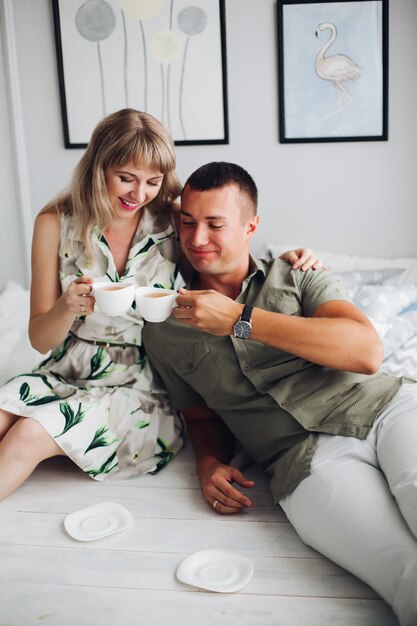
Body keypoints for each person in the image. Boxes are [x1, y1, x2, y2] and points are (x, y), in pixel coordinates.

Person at [143, 161, 417, 626]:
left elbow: (366, 351)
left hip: (384, 408)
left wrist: (238, 319)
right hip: (301, 459)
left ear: (251, 226)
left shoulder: (298, 274)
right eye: (187, 222)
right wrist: (208, 462)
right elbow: (202, 415)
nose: (197, 238)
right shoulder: (164, 331)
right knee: (405, 575)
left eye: (215, 223)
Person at [0, 110, 318, 501]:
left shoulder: (171, 219)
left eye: (152, 181)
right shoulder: (54, 222)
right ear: (98, 166)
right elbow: (39, 339)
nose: (139, 194)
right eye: (126, 178)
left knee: (28, 434)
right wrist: (67, 307)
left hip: (142, 385)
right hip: (66, 369)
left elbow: (227, 254)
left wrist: (290, 258)